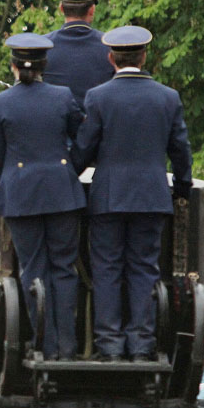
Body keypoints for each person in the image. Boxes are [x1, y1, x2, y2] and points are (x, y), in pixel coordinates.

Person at [73, 25, 192, 361]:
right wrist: (181, 188)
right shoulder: (167, 97)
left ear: (111, 59)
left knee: (107, 270)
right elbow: (181, 150)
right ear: (144, 56)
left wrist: (69, 173)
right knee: (143, 269)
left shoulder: (98, 96)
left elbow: (84, 150)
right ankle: (141, 345)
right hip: (152, 197)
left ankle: (109, 345)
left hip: (109, 197)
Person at [0, 33, 85, 360]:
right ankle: (67, 347)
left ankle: (42, 343)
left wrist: (10, 186)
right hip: (62, 194)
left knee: (32, 269)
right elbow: (81, 141)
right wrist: (68, 171)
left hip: (20, 196)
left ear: (13, 66)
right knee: (64, 268)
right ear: (45, 65)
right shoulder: (62, 96)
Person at [42, 0, 113, 111]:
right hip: (100, 129)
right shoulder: (110, 46)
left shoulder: (41, 47)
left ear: (61, 8)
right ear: (92, 9)